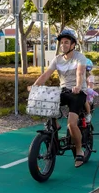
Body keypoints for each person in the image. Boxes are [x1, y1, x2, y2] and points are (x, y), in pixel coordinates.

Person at [31, 28, 88, 167]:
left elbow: (79, 74)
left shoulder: (79, 58)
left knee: (71, 124)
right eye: (62, 42)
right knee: (47, 99)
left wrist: (78, 86)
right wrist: (34, 86)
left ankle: (79, 150)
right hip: (63, 91)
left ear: (73, 45)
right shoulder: (57, 59)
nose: (63, 45)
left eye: (66, 42)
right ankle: (54, 123)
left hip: (77, 93)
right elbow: (46, 75)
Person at [83, 58, 98, 123]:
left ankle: (88, 114)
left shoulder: (90, 77)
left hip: (87, 95)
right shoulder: (79, 75)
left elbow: (90, 87)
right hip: (81, 92)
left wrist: (87, 90)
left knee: (84, 100)